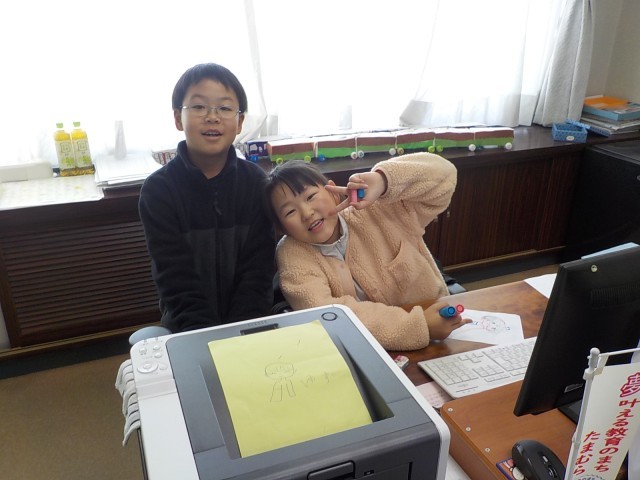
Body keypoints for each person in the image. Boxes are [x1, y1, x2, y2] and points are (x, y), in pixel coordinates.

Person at [263, 152, 471, 351]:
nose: (307, 213)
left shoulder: (378, 209)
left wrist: (383, 180)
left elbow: (445, 177)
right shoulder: (292, 254)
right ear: (281, 227)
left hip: (444, 324)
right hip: (364, 348)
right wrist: (417, 326)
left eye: (310, 197)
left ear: (333, 192)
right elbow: (328, 314)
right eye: (290, 211)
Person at [139, 63, 276, 333]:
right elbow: (175, 279)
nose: (212, 117)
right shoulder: (159, 190)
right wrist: (205, 336)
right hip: (187, 326)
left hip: (250, 325)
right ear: (178, 118)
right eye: (199, 106)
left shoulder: (256, 184)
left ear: (240, 122)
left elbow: (258, 272)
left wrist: (243, 333)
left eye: (225, 108)